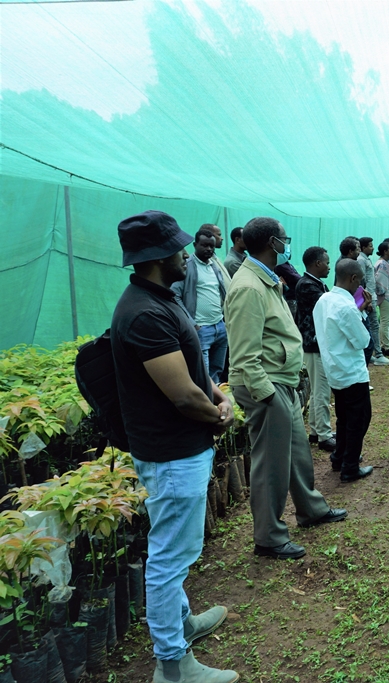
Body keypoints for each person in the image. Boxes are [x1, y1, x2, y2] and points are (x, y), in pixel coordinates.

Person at [111, 210, 237, 683]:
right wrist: (217, 416)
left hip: (180, 449)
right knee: (168, 558)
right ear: (159, 256)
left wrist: (217, 393)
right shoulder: (144, 314)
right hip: (172, 455)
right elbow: (182, 394)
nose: (187, 253)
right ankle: (172, 664)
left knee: (175, 551)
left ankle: (181, 623)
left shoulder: (160, 298)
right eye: (179, 248)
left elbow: (194, 369)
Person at [224, 217, 347, 561]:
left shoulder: (265, 278)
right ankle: (268, 537)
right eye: (284, 239)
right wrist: (266, 394)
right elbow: (244, 354)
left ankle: (311, 509)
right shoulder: (248, 287)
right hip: (265, 384)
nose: (287, 244)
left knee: (296, 452)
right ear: (272, 243)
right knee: (271, 465)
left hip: (280, 380)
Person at [314, 259, 375, 483]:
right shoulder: (347, 306)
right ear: (353, 278)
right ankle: (350, 467)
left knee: (344, 417)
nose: (360, 286)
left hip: (334, 370)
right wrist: (362, 312)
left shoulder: (324, 300)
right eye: (359, 282)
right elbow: (362, 340)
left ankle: (339, 457)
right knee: (359, 419)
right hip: (351, 372)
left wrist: (359, 310)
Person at [171, 228, 229, 383]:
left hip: (219, 326)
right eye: (204, 245)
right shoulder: (187, 266)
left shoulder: (213, 266)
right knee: (202, 374)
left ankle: (215, 397)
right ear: (195, 245)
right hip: (201, 329)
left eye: (211, 246)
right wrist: (192, 323)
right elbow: (175, 295)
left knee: (217, 370)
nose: (209, 249)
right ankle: (206, 397)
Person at [294, 246, 335, 452]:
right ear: (317, 263)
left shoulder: (314, 283)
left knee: (318, 389)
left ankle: (316, 431)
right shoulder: (308, 286)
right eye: (327, 263)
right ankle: (324, 435)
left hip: (315, 344)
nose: (329, 267)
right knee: (322, 391)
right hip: (313, 344)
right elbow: (329, 309)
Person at [356, 237, 389, 366]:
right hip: (368, 299)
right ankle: (378, 354)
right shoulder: (361, 260)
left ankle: (371, 353)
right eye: (370, 246)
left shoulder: (366, 259)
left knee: (371, 325)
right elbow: (361, 282)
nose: (373, 248)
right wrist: (368, 300)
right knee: (373, 325)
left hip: (371, 297)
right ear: (364, 247)